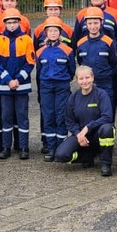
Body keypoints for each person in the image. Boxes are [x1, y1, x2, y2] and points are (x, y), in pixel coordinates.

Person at [56, 65, 116, 176]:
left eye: (87, 78)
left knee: (108, 129)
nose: (85, 81)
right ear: (77, 80)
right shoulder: (73, 97)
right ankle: (87, 157)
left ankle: (106, 163)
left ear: (92, 78)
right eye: (81, 78)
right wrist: (78, 134)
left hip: (98, 134)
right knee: (61, 155)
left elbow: (107, 117)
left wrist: (88, 127)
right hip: (81, 136)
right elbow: (69, 121)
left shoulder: (101, 94)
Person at [0, 7, 36, 159]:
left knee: (22, 116)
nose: (12, 25)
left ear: (19, 22)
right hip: (4, 86)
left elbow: (30, 62)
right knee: (6, 117)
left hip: (21, 86)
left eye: (14, 22)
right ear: (4, 23)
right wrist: (9, 80)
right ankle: (6, 147)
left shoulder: (27, 40)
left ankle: (24, 147)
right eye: (9, 22)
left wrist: (18, 79)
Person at [36, 17, 75, 162]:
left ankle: (61, 148)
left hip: (62, 87)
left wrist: (63, 80)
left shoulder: (68, 50)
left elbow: (72, 70)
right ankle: (51, 148)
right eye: (50, 30)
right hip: (46, 87)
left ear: (60, 32)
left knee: (61, 116)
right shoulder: (40, 52)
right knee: (48, 116)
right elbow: (38, 73)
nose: (52, 33)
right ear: (46, 33)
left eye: (55, 30)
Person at [74, 7, 117, 108]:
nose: (93, 26)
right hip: (87, 84)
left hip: (105, 83)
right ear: (86, 24)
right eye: (90, 23)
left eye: (96, 23)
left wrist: (105, 74)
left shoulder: (109, 42)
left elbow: (113, 63)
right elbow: (81, 62)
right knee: (89, 112)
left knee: (107, 109)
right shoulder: (81, 43)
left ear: (101, 23)